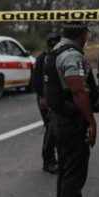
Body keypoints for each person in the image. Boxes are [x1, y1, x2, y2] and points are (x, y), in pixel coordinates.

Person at [43, 21, 98, 197]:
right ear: (83, 34)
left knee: (67, 174)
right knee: (74, 176)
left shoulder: (57, 50)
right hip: (71, 124)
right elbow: (77, 90)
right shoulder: (71, 56)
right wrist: (91, 122)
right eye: (87, 32)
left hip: (60, 121)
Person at [32, 31, 62, 174]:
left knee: (57, 129)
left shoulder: (61, 57)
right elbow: (36, 81)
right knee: (50, 130)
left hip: (58, 99)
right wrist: (42, 97)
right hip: (46, 100)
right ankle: (48, 161)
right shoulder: (42, 59)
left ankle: (57, 158)